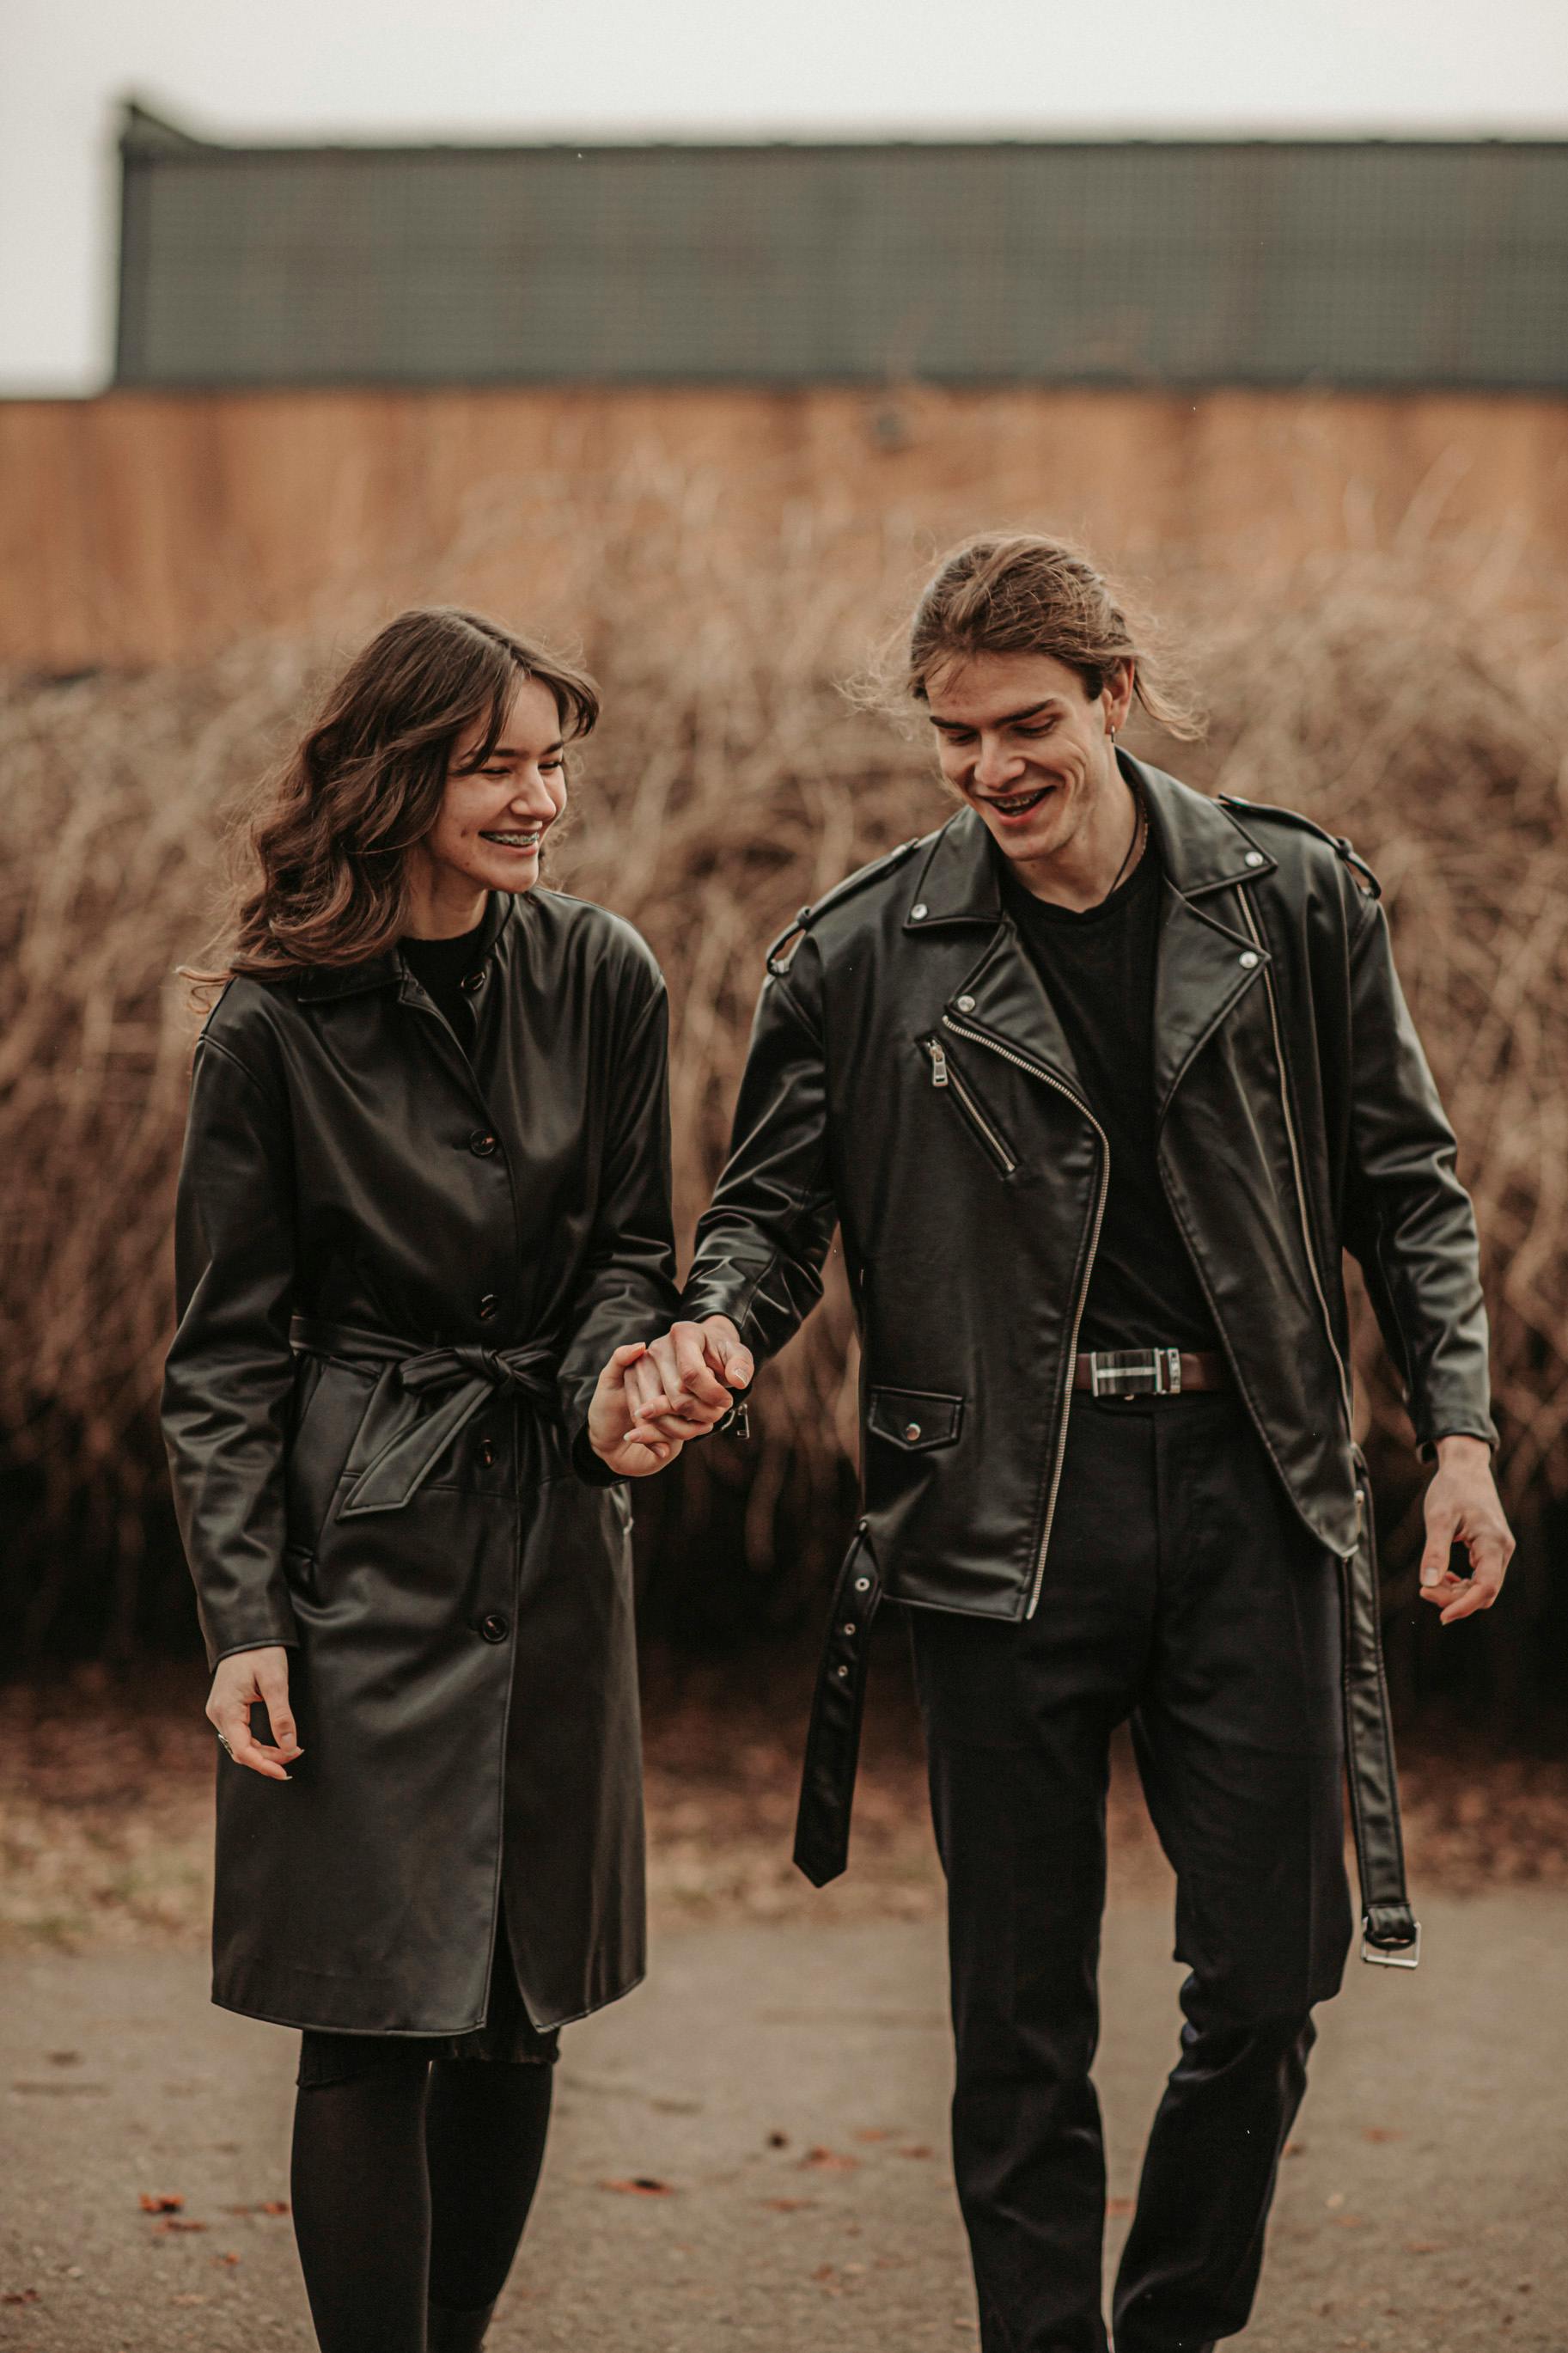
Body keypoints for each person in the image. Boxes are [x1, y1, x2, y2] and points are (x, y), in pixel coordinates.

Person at [633, 536, 1514, 2353]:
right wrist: (718, 1321)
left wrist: (1458, 1435)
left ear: (1114, 694)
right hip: (993, 1514)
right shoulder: (863, 954)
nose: (989, 768)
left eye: (1026, 722)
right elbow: (766, 1216)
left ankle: (1170, 2324)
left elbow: (1408, 1188)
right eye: (954, 736)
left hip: (1255, 1491)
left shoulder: (1292, 901)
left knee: (1270, 1980)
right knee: (1016, 2019)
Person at [162, 608, 704, 2353]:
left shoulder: (604, 972)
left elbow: (633, 1247)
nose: (539, 796)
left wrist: (614, 1385)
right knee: (371, 2012)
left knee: (515, 2009)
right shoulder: (270, 1025)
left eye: (552, 760)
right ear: (399, 777)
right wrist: (244, 1617)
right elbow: (225, 1351)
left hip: (551, 1527)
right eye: (496, 764)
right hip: (354, 1550)